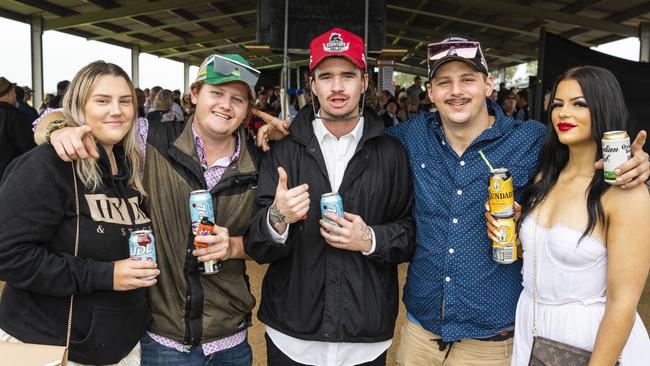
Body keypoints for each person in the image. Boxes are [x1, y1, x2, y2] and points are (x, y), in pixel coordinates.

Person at [253, 35, 650, 365]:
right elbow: (349, 135)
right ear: (429, 92)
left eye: (468, 79)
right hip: (419, 336)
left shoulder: (530, 141)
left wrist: (635, 162)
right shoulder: (406, 139)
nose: (456, 91)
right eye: (444, 82)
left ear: (488, 84)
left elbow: (580, 150)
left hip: (493, 342)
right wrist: (295, 130)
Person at [35, 54, 264, 366]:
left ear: (248, 109)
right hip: (162, 338)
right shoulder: (150, 138)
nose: (226, 105)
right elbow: (55, 117)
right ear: (195, 94)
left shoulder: (260, 161)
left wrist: (233, 246)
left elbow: (267, 242)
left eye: (238, 98)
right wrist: (60, 130)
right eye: (217, 93)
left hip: (231, 339)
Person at [245, 27, 415, 366]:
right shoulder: (283, 150)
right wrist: (277, 218)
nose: (337, 87)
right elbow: (257, 245)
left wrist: (369, 238)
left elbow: (409, 233)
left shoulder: (392, 152)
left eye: (348, 75)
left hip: (364, 338)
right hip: (292, 337)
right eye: (326, 76)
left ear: (365, 82)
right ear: (312, 83)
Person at [0, 61, 158, 365]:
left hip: (118, 348)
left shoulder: (131, 169)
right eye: (102, 100)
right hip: (49, 346)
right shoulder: (47, 165)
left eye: (125, 101)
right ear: (78, 106)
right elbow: (8, 255)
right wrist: (105, 275)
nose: (117, 110)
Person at [507, 66, 650, 365]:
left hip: (590, 339)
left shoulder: (625, 192)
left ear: (602, 108)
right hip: (532, 329)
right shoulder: (544, 177)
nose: (563, 113)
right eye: (557, 104)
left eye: (579, 104)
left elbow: (623, 303)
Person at [0, 76, 35, 178]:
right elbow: (29, 148)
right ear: (10, 93)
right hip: (9, 177)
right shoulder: (16, 117)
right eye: (14, 92)